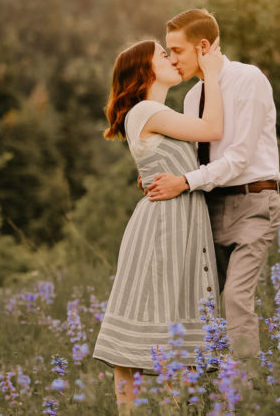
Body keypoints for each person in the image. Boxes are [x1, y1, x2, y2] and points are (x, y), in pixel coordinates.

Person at [92, 38, 225, 411]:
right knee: (149, 318)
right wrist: (211, 75)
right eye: (163, 55)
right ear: (145, 70)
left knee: (172, 318)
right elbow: (212, 129)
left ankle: (168, 409)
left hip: (180, 220)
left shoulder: (157, 113)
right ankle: (131, 411)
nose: (171, 59)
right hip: (163, 225)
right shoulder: (148, 110)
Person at [144, 8, 280, 365]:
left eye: (177, 50)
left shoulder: (248, 79)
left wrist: (185, 182)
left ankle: (247, 395)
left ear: (203, 47)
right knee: (204, 303)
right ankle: (209, 389)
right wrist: (160, 173)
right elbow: (192, 157)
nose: (172, 59)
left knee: (236, 298)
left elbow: (238, 159)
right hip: (209, 208)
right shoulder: (193, 98)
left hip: (254, 203)